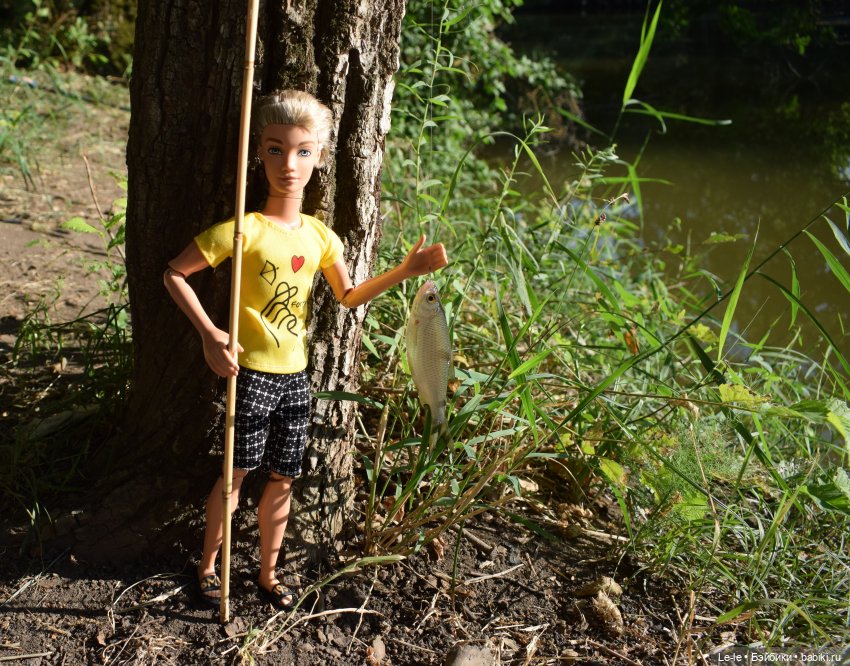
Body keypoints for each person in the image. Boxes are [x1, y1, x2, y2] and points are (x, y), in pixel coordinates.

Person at [163, 89, 448, 609]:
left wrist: (406, 271)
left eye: (302, 152)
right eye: (275, 150)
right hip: (249, 373)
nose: (288, 165)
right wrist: (210, 333)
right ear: (258, 153)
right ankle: (207, 567)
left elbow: (349, 295)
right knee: (233, 476)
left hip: (296, 377)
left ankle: (268, 574)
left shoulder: (320, 237)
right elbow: (175, 273)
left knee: (284, 477)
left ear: (320, 157)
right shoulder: (244, 230)